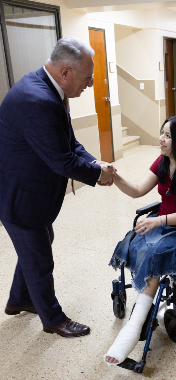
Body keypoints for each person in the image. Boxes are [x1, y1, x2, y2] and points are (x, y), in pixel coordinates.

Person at [0, 37, 116, 337]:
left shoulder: (46, 88)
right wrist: (97, 174)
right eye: (87, 78)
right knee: (38, 257)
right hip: (19, 197)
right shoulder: (38, 100)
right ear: (65, 72)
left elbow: (69, 143)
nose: (90, 85)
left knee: (38, 243)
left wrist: (96, 163)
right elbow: (62, 161)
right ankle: (53, 319)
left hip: (24, 191)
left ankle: (19, 300)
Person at [104, 116, 176, 365]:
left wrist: (158, 222)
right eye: (162, 133)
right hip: (162, 220)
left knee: (154, 254)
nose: (161, 139)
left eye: (168, 135)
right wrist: (114, 176)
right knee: (133, 242)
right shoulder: (162, 161)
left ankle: (136, 321)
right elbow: (138, 190)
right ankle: (144, 305)